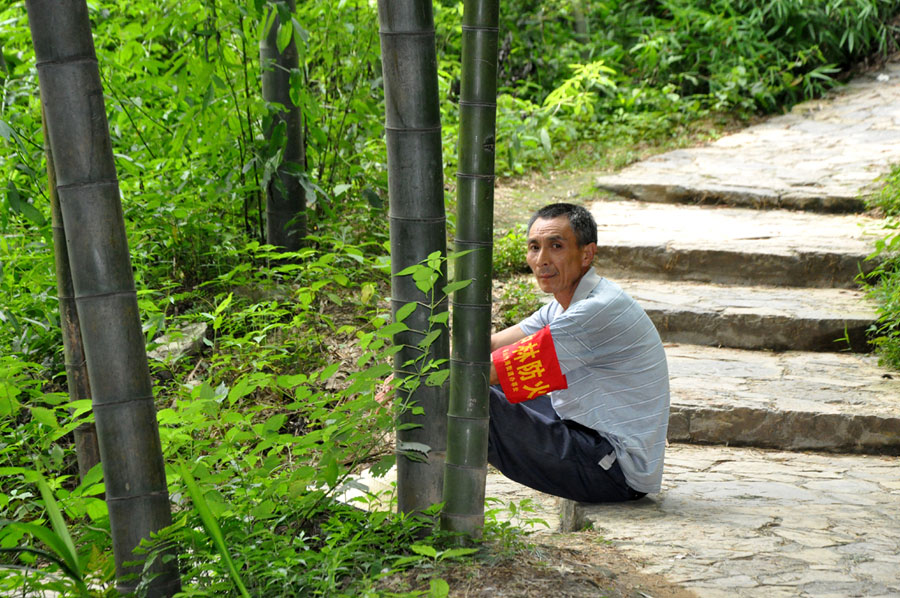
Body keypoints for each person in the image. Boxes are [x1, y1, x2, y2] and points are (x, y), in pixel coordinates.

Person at [487, 202, 669, 503]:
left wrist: (416, 380)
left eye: (556, 246)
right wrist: (420, 364)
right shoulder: (566, 303)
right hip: (587, 437)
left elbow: (489, 371)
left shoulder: (594, 312)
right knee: (466, 385)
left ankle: (435, 515)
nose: (542, 260)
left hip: (614, 470)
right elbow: (494, 346)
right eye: (534, 247)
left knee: (465, 396)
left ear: (586, 254)